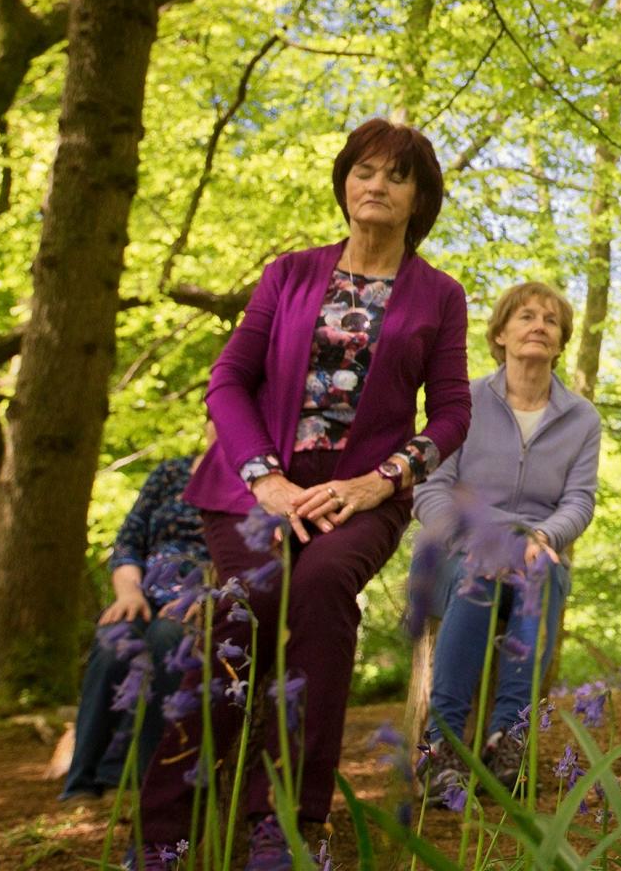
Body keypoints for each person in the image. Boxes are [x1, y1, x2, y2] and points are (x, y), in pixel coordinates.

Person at [138, 119, 471, 869]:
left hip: (358, 498)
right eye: (363, 170)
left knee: (319, 590)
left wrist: (380, 479)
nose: (375, 185)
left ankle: (286, 823)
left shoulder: (439, 295)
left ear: (420, 197)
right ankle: (167, 831)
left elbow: (451, 410)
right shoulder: (290, 272)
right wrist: (269, 480)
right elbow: (228, 380)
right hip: (252, 486)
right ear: (345, 184)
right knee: (243, 607)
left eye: (395, 175)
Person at [412, 281, 602, 802]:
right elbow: (431, 489)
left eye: (550, 320)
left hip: (539, 549)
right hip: (459, 549)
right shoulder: (462, 401)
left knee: (538, 576)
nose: (539, 325)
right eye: (525, 317)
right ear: (500, 334)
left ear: (561, 341)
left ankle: (506, 744)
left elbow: (579, 500)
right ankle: (442, 750)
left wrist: (542, 535)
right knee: (480, 572)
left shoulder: (582, 418)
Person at [60, 452, 204, 799]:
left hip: (200, 602)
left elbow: (250, 558)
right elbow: (128, 541)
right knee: (114, 640)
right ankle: (84, 779)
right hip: (143, 591)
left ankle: (146, 778)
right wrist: (128, 593)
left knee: (167, 639)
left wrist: (205, 597)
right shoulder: (171, 472)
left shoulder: (249, 480)